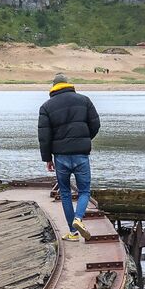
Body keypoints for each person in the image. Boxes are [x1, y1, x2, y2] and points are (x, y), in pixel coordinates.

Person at [37, 73, 101, 242]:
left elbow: (44, 136)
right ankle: (78, 218)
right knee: (84, 191)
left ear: (53, 86)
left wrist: (47, 158)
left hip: (60, 156)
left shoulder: (46, 106)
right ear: (68, 84)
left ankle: (72, 233)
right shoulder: (84, 100)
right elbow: (95, 124)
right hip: (81, 154)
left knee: (65, 193)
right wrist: (84, 140)